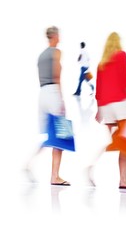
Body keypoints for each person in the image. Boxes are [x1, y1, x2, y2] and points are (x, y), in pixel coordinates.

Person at [25, 26, 70, 186]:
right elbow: (57, 75)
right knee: (61, 135)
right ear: (55, 36)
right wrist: (61, 99)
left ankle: (28, 164)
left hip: (42, 93)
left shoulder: (41, 55)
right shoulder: (56, 52)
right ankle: (55, 176)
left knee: (47, 135)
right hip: (52, 93)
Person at [95, 32, 126, 189]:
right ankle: (123, 180)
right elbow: (124, 79)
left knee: (118, 142)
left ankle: (92, 163)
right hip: (120, 103)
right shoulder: (121, 55)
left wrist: (99, 110)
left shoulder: (101, 64)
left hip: (106, 107)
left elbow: (98, 90)